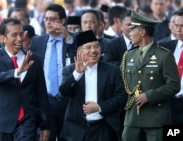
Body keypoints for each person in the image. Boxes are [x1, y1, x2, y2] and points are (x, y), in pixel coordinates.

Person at [0, 18, 50, 141]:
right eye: (14, 35)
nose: (19, 39)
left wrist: (45, 125)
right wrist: (17, 72)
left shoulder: (34, 59)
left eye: (21, 34)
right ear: (3, 38)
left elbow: (41, 93)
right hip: (2, 121)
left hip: (28, 120)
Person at [121, 10, 180, 141]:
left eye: (132, 30)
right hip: (132, 118)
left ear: (142, 32)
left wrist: (149, 96)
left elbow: (174, 85)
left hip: (156, 118)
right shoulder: (128, 56)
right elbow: (123, 84)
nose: (129, 33)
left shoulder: (164, 55)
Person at [59, 30, 127, 141]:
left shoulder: (112, 71)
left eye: (96, 47)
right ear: (79, 52)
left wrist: (100, 107)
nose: (93, 51)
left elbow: (121, 97)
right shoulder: (70, 70)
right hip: (77, 130)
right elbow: (64, 92)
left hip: (104, 129)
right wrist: (77, 74)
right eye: (88, 47)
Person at [29, 4, 77, 141]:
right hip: (46, 100)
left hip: (68, 99)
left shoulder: (73, 40)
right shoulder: (38, 42)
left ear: (62, 21)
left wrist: (67, 37)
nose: (48, 22)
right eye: (46, 19)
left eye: (53, 19)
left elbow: (80, 57)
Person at [158, 10, 183, 125]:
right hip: (170, 103)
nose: (178, 30)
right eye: (176, 25)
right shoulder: (165, 47)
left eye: (182, 26)